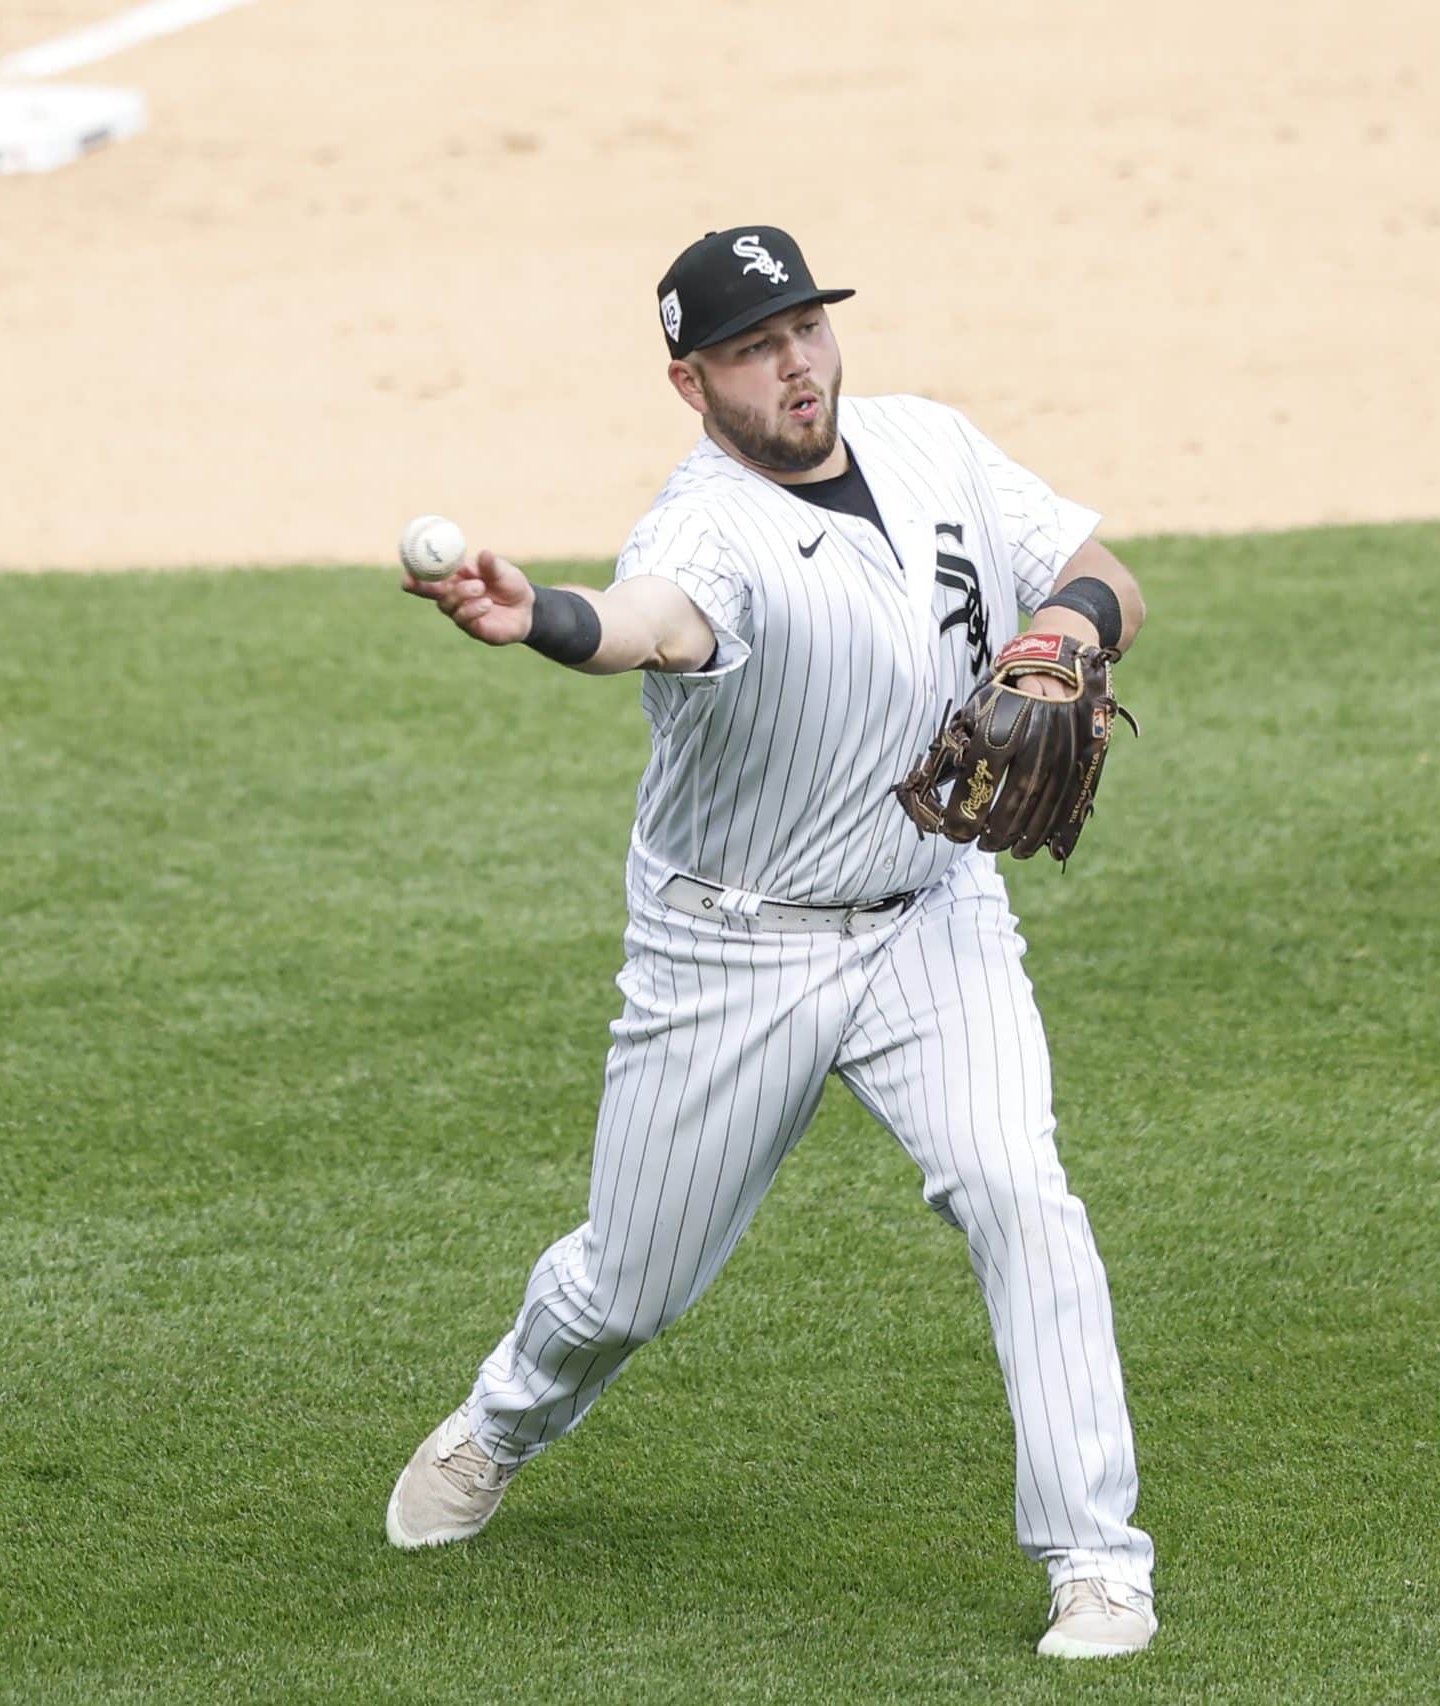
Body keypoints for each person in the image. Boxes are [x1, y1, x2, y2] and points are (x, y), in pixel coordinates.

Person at [389, 225, 1158, 1660]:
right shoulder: (703, 531)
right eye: (753, 346)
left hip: (933, 916)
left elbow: (1102, 567)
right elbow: (644, 624)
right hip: (730, 953)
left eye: (804, 325)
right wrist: (536, 617)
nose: (794, 363)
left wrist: (1059, 630)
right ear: (693, 384)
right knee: (634, 1277)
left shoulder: (932, 445)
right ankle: (501, 1418)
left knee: (1020, 1193)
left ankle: (1097, 1559)